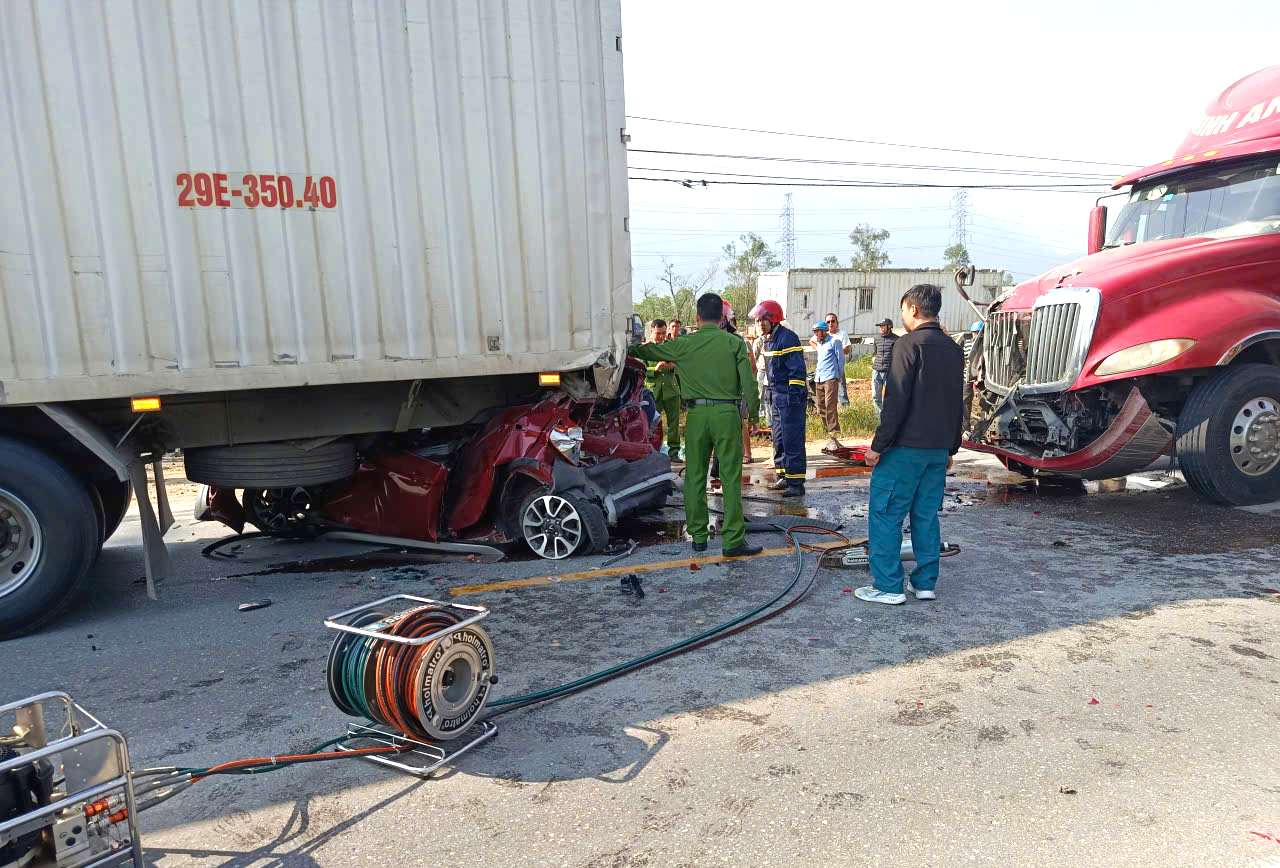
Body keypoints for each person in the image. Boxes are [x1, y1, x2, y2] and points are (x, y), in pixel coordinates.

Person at [855, 284, 965, 606]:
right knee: (926, 517)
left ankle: (889, 587)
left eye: (903, 310)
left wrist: (878, 446)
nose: (902, 315)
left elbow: (896, 400)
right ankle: (925, 583)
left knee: (886, 515)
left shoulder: (907, 344)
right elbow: (956, 403)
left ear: (913, 309)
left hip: (904, 450)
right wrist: (951, 448)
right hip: (936, 451)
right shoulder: (952, 349)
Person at [630, 294, 762, 557]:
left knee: (696, 476)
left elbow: (645, 351)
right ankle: (733, 541)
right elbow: (749, 384)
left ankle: (699, 537)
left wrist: (627, 346)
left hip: (697, 415)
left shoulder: (684, 343)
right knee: (730, 478)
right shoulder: (734, 343)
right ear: (722, 318)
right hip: (727, 414)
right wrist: (755, 416)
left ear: (698, 317)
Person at [749, 299, 807, 497]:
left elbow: (797, 371)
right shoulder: (769, 339)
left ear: (773, 320)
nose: (759, 325)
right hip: (776, 396)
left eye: (762, 320)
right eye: (757, 321)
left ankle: (796, 482)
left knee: (792, 440)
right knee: (779, 438)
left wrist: (792, 398)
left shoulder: (788, 338)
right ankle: (784, 475)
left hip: (790, 398)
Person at [644, 319, 681, 460]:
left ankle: (674, 452)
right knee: (651, 425)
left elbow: (681, 367)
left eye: (664, 333)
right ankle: (651, 451)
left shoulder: (671, 347)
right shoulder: (645, 349)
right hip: (654, 392)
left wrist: (674, 368)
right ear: (651, 331)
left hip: (672, 391)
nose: (661, 336)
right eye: (658, 333)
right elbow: (640, 370)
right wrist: (654, 369)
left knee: (674, 424)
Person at [811, 322, 844, 451]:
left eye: (817, 331)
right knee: (820, 406)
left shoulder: (835, 342)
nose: (815, 334)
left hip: (831, 377)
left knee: (830, 405)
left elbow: (840, 359)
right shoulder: (819, 343)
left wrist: (839, 375)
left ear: (824, 331)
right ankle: (828, 432)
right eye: (815, 332)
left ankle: (834, 432)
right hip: (819, 378)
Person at [810, 313, 852, 406]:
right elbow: (811, 341)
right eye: (828, 322)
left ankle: (845, 411)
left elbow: (847, 349)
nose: (830, 323)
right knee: (825, 396)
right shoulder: (823, 334)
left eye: (833, 321)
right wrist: (819, 349)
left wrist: (835, 351)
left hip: (836, 366)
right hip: (824, 369)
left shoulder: (842, 334)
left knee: (841, 391)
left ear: (837, 323)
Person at [871, 318, 898, 415]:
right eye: (880, 326)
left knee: (890, 396)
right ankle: (878, 417)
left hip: (889, 372)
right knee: (875, 396)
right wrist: (874, 362)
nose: (881, 328)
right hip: (876, 372)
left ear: (889, 326)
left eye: (883, 326)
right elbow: (874, 353)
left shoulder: (896, 339)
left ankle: (889, 416)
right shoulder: (877, 338)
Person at [752, 330, 772, 432]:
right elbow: (754, 357)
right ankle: (759, 419)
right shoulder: (758, 341)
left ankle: (770, 421)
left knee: (769, 396)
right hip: (762, 370)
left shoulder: (772, 339)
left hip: (771, 371)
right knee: (760, 395)